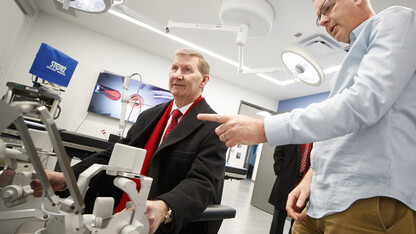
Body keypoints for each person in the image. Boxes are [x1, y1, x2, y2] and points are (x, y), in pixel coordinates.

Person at [198, 1, 416, 233]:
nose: (322, 21)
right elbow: (341, 132)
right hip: (318, 203)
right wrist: (310, 178)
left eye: (327, 7)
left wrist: (263, 128)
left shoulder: (396, 20)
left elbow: (361, 105)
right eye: (318, 16)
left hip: (366, 200)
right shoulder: (353, 58)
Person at [32, 48, 227, 234]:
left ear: (204, 80)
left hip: (159, 222)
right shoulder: (149, 116)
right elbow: (114, 154)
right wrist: (68, 177)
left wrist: (164, 207)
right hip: (118, 211)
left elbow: (202, 183)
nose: (177, 75)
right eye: (174, 68)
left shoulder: (213, 127)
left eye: (187, 70)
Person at [269, 144, 311, 234]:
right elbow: (278, 152)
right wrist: (280, 171)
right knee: (277, 223)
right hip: (286, 182)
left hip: (303, 188)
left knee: (296, 225)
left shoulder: (316, 138)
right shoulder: (293, 132)